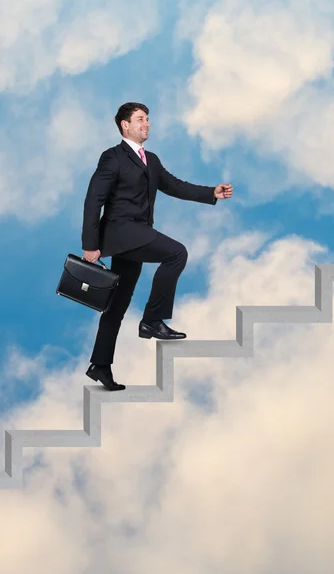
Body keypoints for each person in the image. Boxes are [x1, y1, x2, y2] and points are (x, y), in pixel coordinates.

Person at [81, 102, 233, 391]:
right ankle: (152, 320)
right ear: (125, 125)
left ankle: (100, 365)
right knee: (177, 253)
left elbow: (175, 185)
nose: (147, 124)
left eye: (148, 119)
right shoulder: (111, 158)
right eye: (140, 119)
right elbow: (93, 200)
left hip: (137, 235)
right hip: (122, 233)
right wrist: (90, 245)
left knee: (117, 305)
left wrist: (210, 193)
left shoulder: (151, 159)